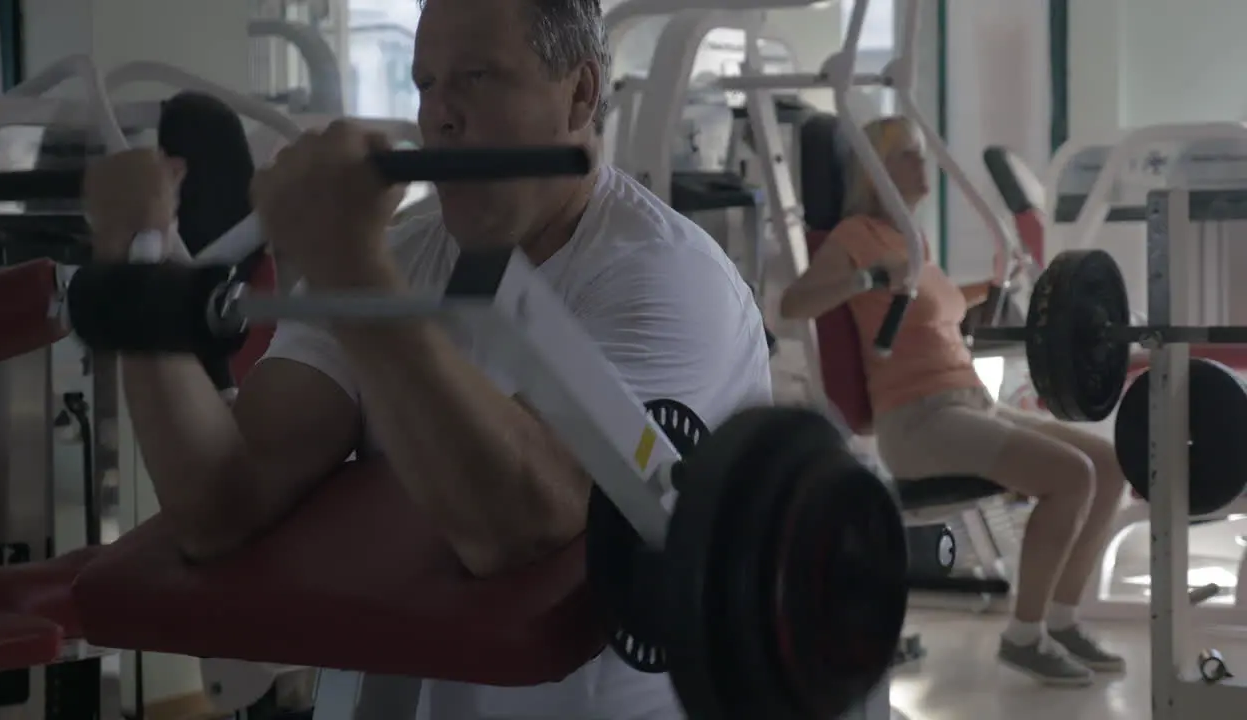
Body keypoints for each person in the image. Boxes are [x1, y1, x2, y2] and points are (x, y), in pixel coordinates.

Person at [81, 0, 771, 718]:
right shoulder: (402, 253)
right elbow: (221, 500)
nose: (439, 115)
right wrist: (139, 259)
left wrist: (351, 264)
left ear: (582, 94)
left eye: (476, 77)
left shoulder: (665, 281)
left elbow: (520, 528)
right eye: (426, 84)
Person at [779, 116, 1128, 688]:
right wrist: (866, 276)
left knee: (1108, 466)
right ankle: (1024, 636)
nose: (924, 167)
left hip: (969, 403)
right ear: (878, 172)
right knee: (1072, 477)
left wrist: (991, 289)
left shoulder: (914, 243)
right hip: (919, 422)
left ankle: (1062, 620)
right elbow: (794, 305)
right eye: (910, 156)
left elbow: (933, 308)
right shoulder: (856, 238)